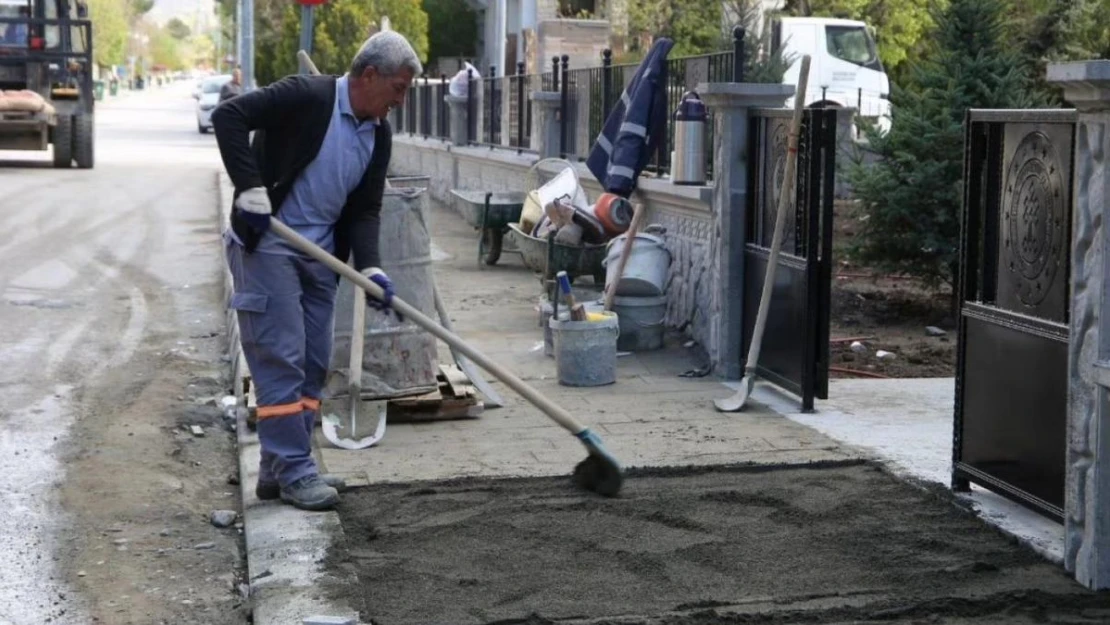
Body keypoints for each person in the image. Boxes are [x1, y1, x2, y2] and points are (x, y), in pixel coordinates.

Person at [211, 31, 420, 511]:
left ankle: (282, 466)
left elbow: (365, 209)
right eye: (399, 88)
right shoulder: (308, 97)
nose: (401, 101)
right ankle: (297, 470)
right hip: (270, 245)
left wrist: (371, 267)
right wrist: (249, 188)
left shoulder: (377, 132)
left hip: (321, 253)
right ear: (370, 75)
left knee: (313, 361)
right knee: (281, 357)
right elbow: (230, 116)